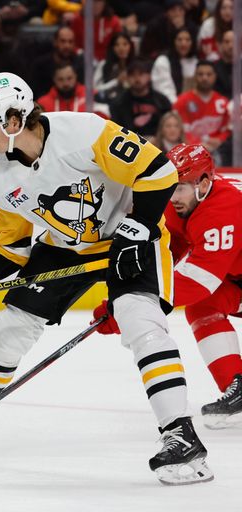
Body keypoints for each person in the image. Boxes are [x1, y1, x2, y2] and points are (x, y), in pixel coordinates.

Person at [0, 71, 213, 485]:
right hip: (65, 245)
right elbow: (9, 244)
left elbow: (158, 171)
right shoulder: (0, 176)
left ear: (13, 119)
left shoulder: (84, 132)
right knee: (13, 326)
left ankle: (181, 436)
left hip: (131, 232)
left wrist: (140, 228)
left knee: (140, 321)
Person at [92, 143, 242, 429]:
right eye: (170, 187)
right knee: (204, 306)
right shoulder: (187, 202)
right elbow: (170, 250)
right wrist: (127, 289)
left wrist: (129, 307)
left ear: (204, 183)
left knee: (201, 295)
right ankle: (238, 386)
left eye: (180, 188)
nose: (172, 197)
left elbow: (198, 281)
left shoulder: (222, 208)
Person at [172, 60, 229, 159]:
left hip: (219, 150)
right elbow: (178, 129)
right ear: (195, 76)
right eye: (200, 74)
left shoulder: (223, 103)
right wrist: (198, 145)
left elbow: (228, 129)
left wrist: (220, 140)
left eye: (209, 74)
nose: (204, 78)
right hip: (189, 152)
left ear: (215, 76)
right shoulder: (182, 102)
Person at [109, 59, 171, 139]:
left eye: (141, 74)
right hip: (130, 143)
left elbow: (170, 127)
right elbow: (116, 131)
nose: (137, 78)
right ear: (127, 78)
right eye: (133, 75)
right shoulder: (118, 103)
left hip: (159, 144)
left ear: (149, 76)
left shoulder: (162, 101)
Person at [28, 26, 84, 98]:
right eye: (63, 41)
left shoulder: (80, 64)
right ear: (55, 42)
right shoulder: (40, 66)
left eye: (70, 41)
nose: (67, 46)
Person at [152, 28, 198, 104]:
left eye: (187, 40)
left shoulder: (196, 61)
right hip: (170, 107)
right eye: (179, 40)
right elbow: (164, 91)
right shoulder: (163, 61)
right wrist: (179, 107)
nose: (183, 44)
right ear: (173, 41)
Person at [94, 31, 135, 103]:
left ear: (130, 46)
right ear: (112, 48)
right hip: (108, 102)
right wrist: (116, 81)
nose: (121, 48)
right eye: (117, 45)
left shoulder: (136, 65)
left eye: (125, 44)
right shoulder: (104, 65)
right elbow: (95, 89)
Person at [211, 29, 235, 99]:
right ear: (220, 45)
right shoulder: (213, 68)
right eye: (227, 42)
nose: (231, 46)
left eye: (234, 42)